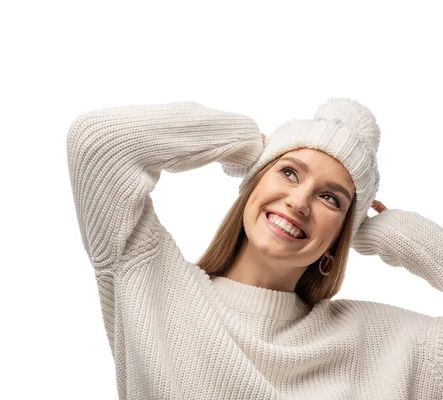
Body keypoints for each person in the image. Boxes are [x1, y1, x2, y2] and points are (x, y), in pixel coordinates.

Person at [66, 99, 443, 399]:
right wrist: (239, 143)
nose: (298, 201)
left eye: (330, 198)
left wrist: (400, 236)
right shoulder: (151, 281)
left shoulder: (383, 343)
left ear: (341, 235)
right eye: (289, 172)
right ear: (254, 183)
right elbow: (97, 142)